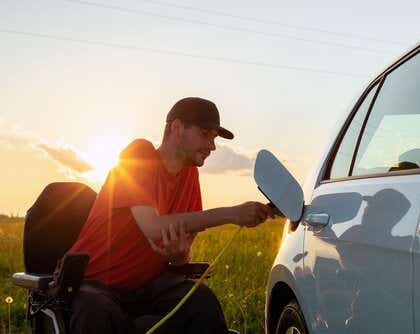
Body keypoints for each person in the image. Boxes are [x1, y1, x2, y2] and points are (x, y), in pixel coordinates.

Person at [68, 97, 273, 333]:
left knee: (200, 301)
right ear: (176, 128)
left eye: (214, 138)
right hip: (95, 285)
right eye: (205, 134)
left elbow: (180, 256)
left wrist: (178, 255)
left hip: (147, 286)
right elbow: (153, 227)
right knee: (98, 314)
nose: (212, 146)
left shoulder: (190, 176)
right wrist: (231, 214)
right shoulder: (139, 155)